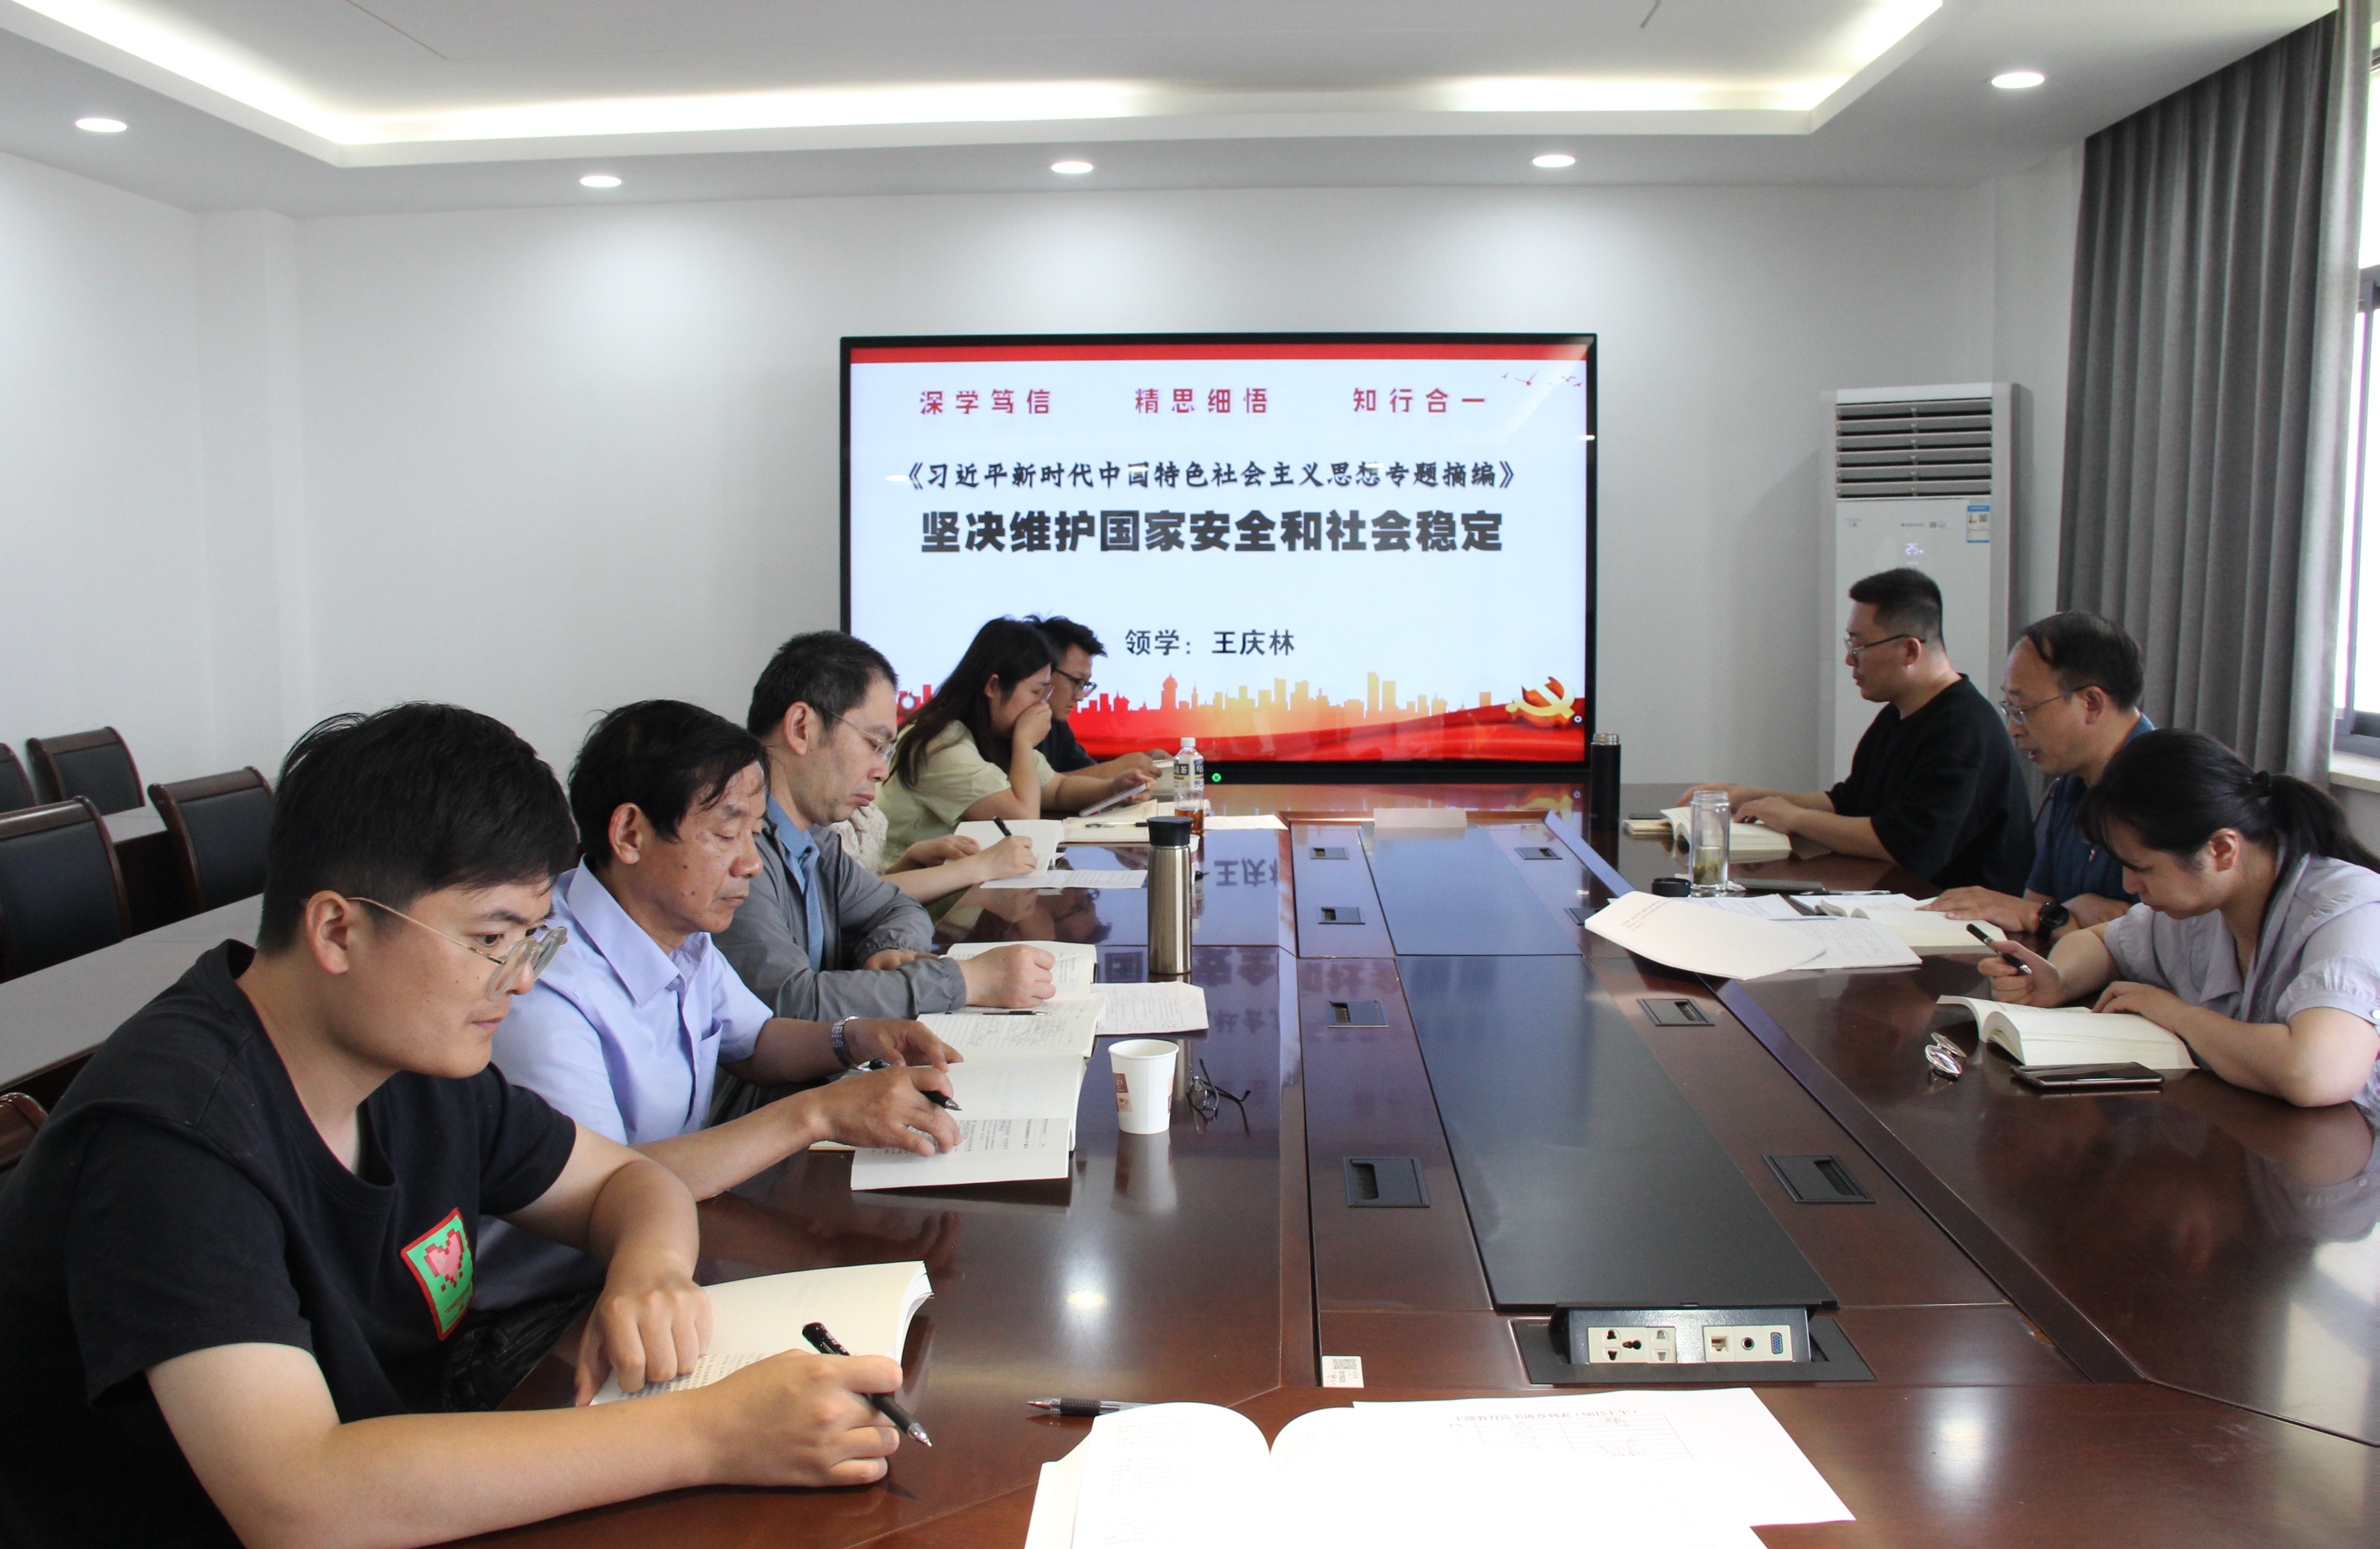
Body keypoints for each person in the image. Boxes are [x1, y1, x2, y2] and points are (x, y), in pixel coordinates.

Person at [0, 705, 914, 1549]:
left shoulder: (411, 1061)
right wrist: (708, 1433)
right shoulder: (173, 1134)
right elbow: (298, 1495)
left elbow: (628, 1181)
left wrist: (649, 1272)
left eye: (534, 938)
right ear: (338, 931)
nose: (523, 979)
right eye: (489, 940)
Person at [481, 700, 962, 1317]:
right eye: (724, 834)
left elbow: (754, 1039)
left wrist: (857, 1037)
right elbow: (609, 1182)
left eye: (754, 833)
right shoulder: (545, 985)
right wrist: (817, 1114)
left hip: (678, 1250)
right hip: (558, 1308)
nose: (751, 864)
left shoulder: (679, 928)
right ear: (630, 834)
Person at [1984, 729, 2380, 1111]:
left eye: (2142, 868)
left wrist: (2178, 1015)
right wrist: (2060, 981)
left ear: (2221, 850)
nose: (2128, 885)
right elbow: (2101, 942)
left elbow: (2314, 1073)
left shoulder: (2350, 912)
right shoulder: (2206, 901)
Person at [718, 630, 1053, 1020]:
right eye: (874, 745)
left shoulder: (814, 839)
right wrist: (968, 981)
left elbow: (896, 906)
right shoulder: (734, 850)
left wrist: (887, 950)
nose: (880, 771)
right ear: (801, 728)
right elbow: (790, 1003)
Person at [1683, 567, 2032, 892]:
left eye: (1859, 646)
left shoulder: (1962, 733)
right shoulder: (1898, 714)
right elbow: (1848, 804)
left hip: (1957, 922)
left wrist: (1794, 817)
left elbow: (1901, 844)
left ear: (1909, 650)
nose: (1850, 659)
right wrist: (1751, 797)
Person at [1925, 611, 2153, 936]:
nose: (2014, 729)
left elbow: (2144, 943)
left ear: (2091, 703)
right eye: (2009, 708)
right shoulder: (2073, 783)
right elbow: (2037, 904)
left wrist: (2047, 917)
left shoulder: (2167, 792)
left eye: (2023, 709)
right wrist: (2068, 914)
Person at [876, 616, 1150, 860]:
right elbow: (1022, 820)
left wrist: (1114, 790)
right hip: (911, 889)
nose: (1041, 705)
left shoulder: (993, 732)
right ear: (993, 686)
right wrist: (1024, 743)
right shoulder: (940, 745)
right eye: (1036, 692)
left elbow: (1057, 789)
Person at [1026, 614, 1161, 785]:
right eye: (1076, 681)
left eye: (1085, 685)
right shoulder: (1011, 724)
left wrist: (1143, 763)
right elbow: (1031, 789)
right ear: (1044, 671)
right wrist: (1114, 770)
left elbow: (1084, 771)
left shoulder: (1056, 723)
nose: (1080, 696)